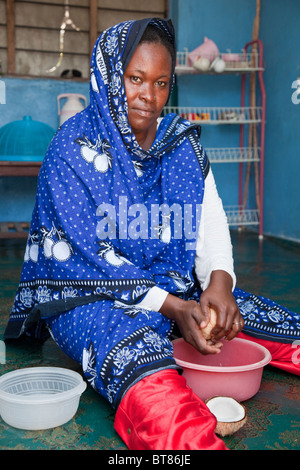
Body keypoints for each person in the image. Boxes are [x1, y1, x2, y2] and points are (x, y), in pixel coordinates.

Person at [4, 18, 299, 450]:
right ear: (109, 75)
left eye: (161, 82)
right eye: (135, 79)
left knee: (237, 318)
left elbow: (209, 217)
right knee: (136, 355)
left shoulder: (180, 143)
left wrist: (220, 282)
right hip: (87, 293)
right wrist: (175, 309)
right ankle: (191, 439)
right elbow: (85, 254)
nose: (149, 96)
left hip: (170, 288)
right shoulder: (73, 146)